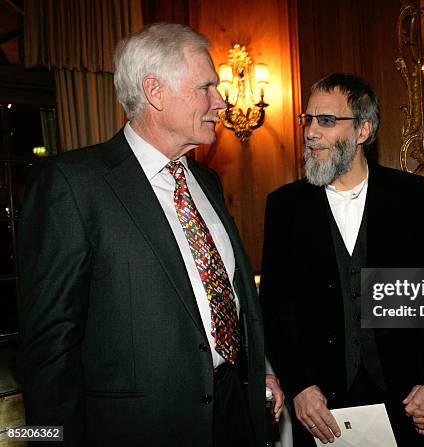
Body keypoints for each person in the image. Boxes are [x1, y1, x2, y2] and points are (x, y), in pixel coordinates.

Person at [17, 23, 278, 446]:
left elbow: (226, 299)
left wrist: (259, 370)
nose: (221, 100)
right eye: (206, 87)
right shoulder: (75, 184)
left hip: (233, 411)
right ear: (155, 92)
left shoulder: (206, 181)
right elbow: (48, 352)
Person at [260, 73, 424, 446]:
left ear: (363, 130)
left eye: (327, 121)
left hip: (405, 397)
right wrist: (299, 385)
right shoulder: (284, 205)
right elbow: (275, 306)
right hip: (320, 406)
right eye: (308, 120)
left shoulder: (408, 195)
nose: (311, 132)